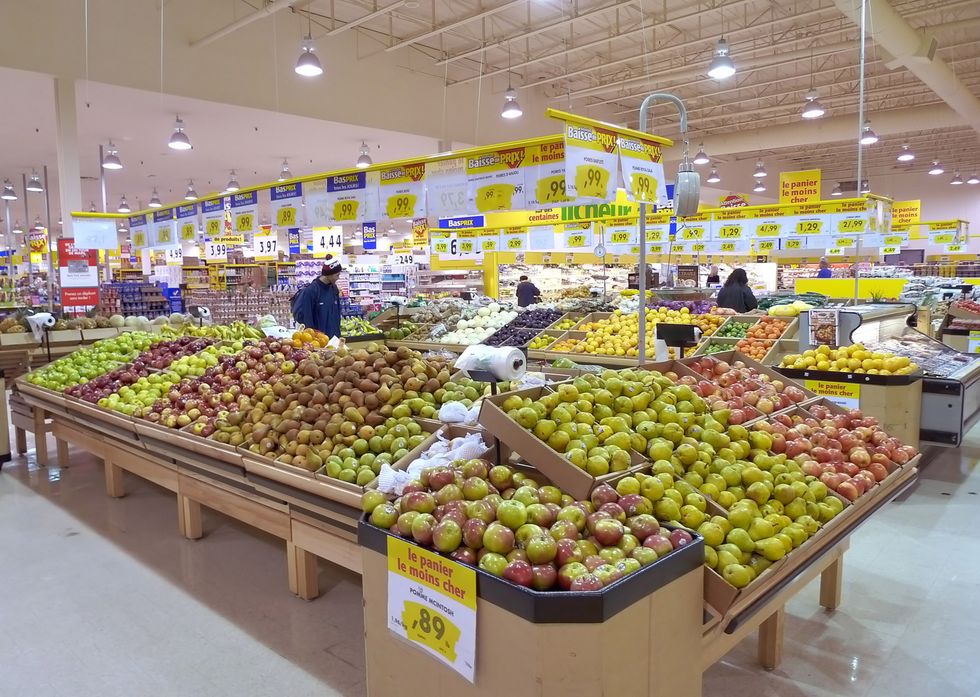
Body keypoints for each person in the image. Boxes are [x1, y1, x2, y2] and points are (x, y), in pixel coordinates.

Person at [292, 257, 343, 337]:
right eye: (337, 275)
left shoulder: (334, 289)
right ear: (328, 275)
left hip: (334, 339)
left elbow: (337, 313)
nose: (338, 277)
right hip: (319, 341)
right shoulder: (311, 291)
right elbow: (307, 320)